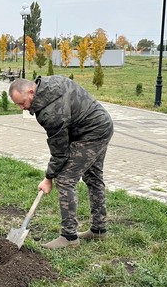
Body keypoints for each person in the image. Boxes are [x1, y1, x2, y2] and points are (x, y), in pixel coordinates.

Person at [9, 76, 113, 249]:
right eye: (18, 105)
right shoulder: (50, 83)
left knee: (65, 180)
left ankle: (69, 237)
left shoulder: (49, 112)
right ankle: (99, 229)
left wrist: (48, 178)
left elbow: (60, 151)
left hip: (92, 132)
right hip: (102, 123)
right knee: (93, 177)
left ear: (31, 91)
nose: (22, 108)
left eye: (23, 103)